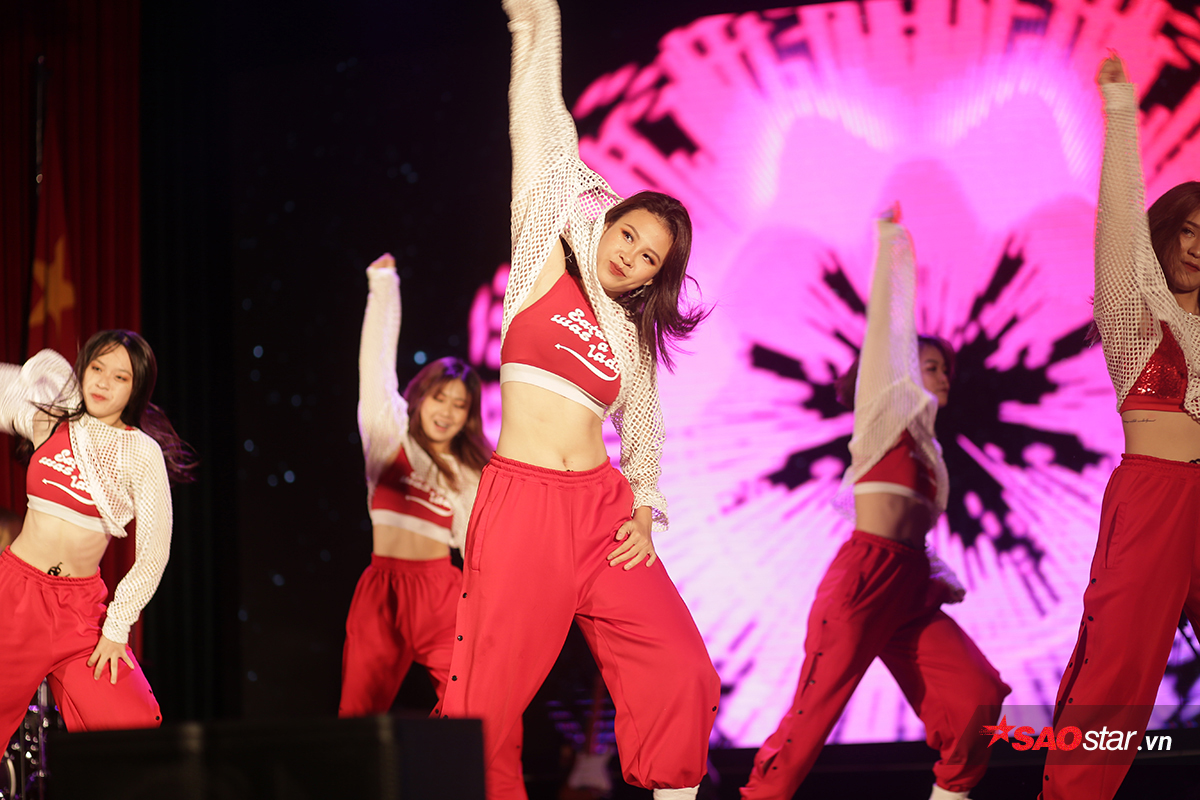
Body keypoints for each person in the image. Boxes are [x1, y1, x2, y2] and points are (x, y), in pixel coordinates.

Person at [437, 2, 720, 799]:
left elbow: (647, 425)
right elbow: (542, 127)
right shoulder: (541, 258)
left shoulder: (631, 336)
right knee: (485, 704)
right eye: (630, 235)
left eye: (651, 260)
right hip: (522, 508)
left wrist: (644, 505)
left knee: (682, 668)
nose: (632, 257)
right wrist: (537, 21)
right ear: (608, 220)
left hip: (600, 514)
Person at [739, 210, 1010, 800]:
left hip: (908, 585)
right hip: (865, 577)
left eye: (946, 369)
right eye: (929, 366)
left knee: (975, 697)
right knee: (811, 719)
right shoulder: (884, 414)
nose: (942, 376)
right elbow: (888, 332)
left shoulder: (930, 449)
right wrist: (892, 248)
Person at [1040, 55, 1200, 800]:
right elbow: (1119, 227)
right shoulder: (1136, 320)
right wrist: (1121, 112)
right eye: (1189, 230)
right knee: (1116, 671)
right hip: (1154, 500)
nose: (1198, 246)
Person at [0, 330, 194, 739]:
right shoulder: (51, 421)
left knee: (133, 731)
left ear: (136, 388)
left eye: (120, 377)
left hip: (82, 615)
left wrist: (117, 626)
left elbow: (154, 552)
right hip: (15, 598)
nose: (103, 383)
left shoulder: (140, 452)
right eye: (97, 368)